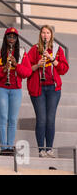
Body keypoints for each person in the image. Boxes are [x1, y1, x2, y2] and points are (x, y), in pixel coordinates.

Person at [0, 27, 32, 156]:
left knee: (12, 119)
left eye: (14, 37)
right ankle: (3, 147)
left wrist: (16, 65)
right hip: (1, 87)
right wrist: (3, 69)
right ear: (5, 38)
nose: (11, 39)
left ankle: (10, 147)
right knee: (3, 117)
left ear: (17, 39)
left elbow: (27, 72)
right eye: (9, 36)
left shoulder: (22, 53)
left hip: (15, 89)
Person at [27, 25, 69, 158]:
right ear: (40, 35)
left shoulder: (57, 49)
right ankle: (41, 150)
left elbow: (64, 69)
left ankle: (49, 149)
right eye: (43, 33)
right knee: (41, 119)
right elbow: (26, 70)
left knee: (50, 119)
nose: (45, 35)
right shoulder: (34, 49)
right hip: (38, 88)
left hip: (53, 89)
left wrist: (52, 60)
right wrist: (38, 65)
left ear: (51, 35)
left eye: (48, 33)